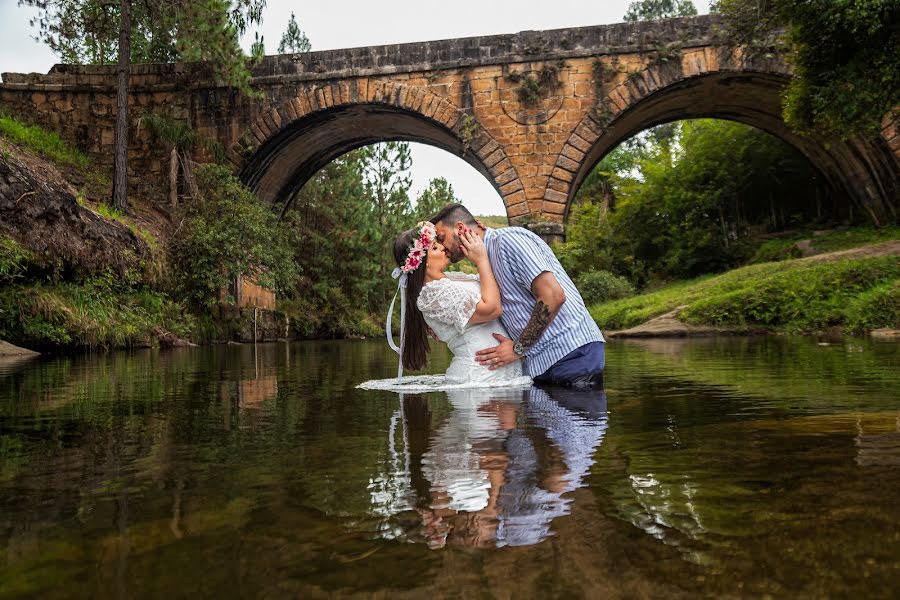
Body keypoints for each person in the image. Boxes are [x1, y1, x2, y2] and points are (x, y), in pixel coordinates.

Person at [429, 204, 605, 387]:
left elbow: (553, 295)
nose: (442, 247)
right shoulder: (485, 260)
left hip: (570, 354)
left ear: (460, 228)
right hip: (544, 362)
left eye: (441, 238)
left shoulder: (508, 241)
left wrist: (519, 348)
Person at [385, 220, 529, 386]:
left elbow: (492, 287)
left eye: (438, 243)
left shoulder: (453, 281)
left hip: (495, 374)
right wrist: (481, 260)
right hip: (479, 378)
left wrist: (479, 232)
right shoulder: (433, 295)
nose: (443, 247)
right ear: (422, 263)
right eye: (434, 247)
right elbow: (492, 309)